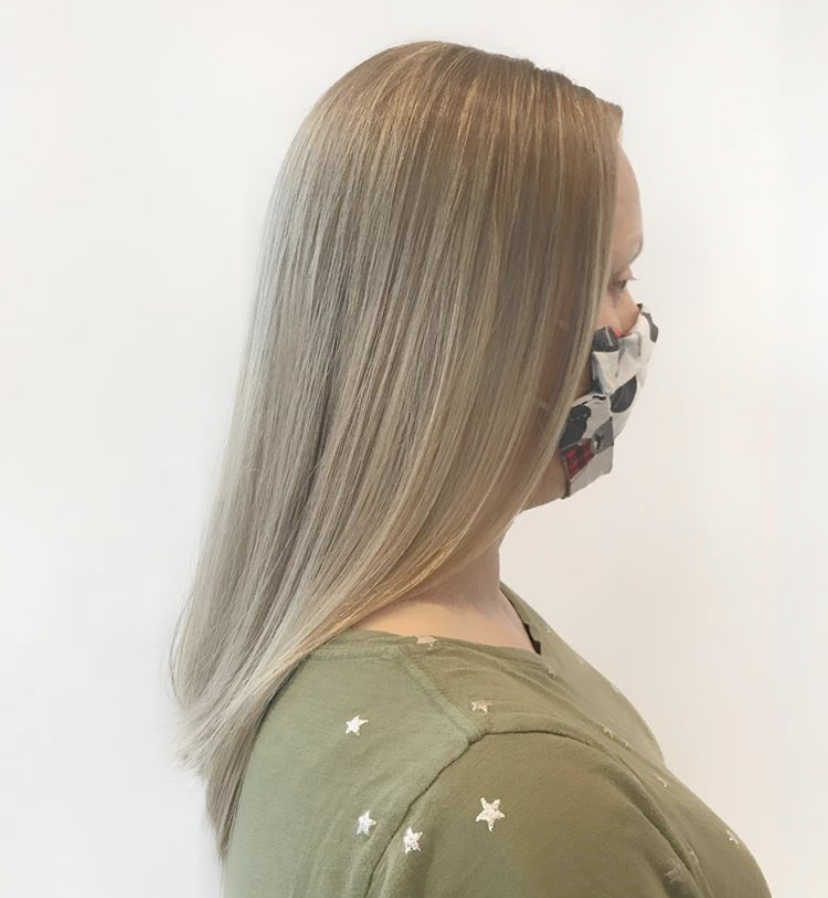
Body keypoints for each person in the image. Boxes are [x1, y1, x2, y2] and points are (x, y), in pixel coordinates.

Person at [167, 40, 773, 898]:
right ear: (486, 336)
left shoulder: (354, 646)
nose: (634, 318)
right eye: (614, 278)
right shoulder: (514, 793)